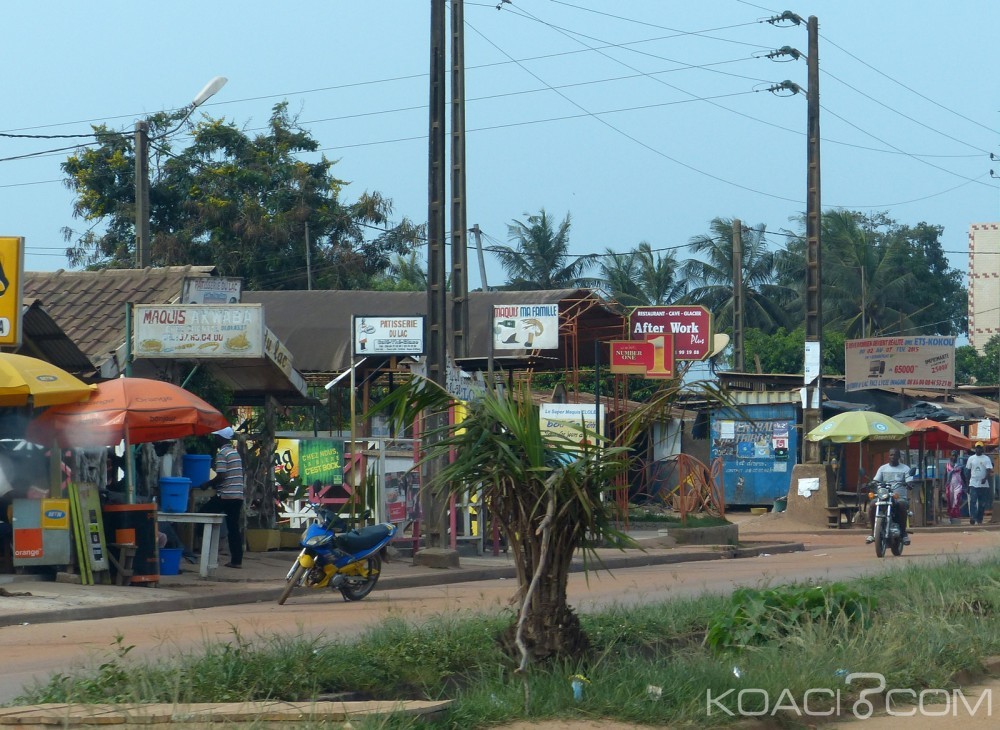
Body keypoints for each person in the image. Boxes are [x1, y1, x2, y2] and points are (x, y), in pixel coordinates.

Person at [199, 427, 245, 568]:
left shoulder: (222, 454)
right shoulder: (235, 453)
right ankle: (237, 560)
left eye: (216, 437)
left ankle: (205, 549)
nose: (214, 439)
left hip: (226, 495)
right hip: (237, 496)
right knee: (233, 528)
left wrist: (207, 484)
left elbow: (222, 476)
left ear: (221, 438)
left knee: (201, 515)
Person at [866, 448, 912, 545]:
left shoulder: (905, 468)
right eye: (891, 455)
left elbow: (909, 480)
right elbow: (876, 480)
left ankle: (903, 534)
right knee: (872, 505)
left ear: (899, 457)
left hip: (899, 497)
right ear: (888, 456)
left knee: (902, 505)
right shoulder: (882, 468)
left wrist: (909, 483)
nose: (893, 457)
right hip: (884, 496)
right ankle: (873, 532)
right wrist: (872, 483)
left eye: (895, 455)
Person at [965, 441, 993, 526]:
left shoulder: (986, 458)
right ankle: (973, 517)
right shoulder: (971, 458)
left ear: (982, 449)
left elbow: (989, 470)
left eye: (980, 447)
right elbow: (968, 471)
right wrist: (967, 484)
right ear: (975, 449)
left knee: (982, 503)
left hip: (983, 484)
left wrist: (985, 478)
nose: (978, 449)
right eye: (977, 447)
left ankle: (979, 519)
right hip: (973, 483)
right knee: (973, 501)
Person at [944, 449, 968, 525]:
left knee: (956, 501)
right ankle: (951, 517)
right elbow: (945, 475)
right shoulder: (947, 465)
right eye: (952, 455)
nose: (953, 457)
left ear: (957, 456)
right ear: (950, 456)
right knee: (950, 502)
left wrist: (966, 485)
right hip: (949, 485)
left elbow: (963, 476)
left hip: (958, 485)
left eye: (955, 455)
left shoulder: (960, 466)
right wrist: (943, 486)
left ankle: (955, 517)